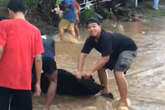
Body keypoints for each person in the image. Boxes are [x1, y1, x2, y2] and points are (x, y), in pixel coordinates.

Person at [76, 18, 137, 110]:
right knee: (100, 68)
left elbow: (105, 58)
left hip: (128, 49)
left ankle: (123, 101)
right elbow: (82, 55)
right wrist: (79, 71)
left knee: (118, 72)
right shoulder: (90, 40)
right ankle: (105, 92)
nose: (92, 29)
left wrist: (89, 72)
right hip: (114, 52)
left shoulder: (105, 37)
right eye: (89, 28)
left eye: (94, 26)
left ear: (99, 27)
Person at [0, 0, 44, 110]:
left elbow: (0, 49)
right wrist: (38, 83)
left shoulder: (3, 24)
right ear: (26, 12)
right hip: (24, 82)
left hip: (2, 80)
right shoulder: (36, 31)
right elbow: (38, 59)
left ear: (9, 11)